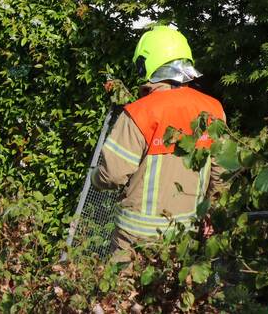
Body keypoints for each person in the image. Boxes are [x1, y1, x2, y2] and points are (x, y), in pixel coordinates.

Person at [93, 26, 225, 259]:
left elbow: (112, 175)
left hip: (135, 242)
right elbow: (221, 173)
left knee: (124, 285)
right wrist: (212, 212)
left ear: (147, 63)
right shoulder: (213, 110)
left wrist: (96, 178)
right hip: (186, 237)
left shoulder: (139, 112)